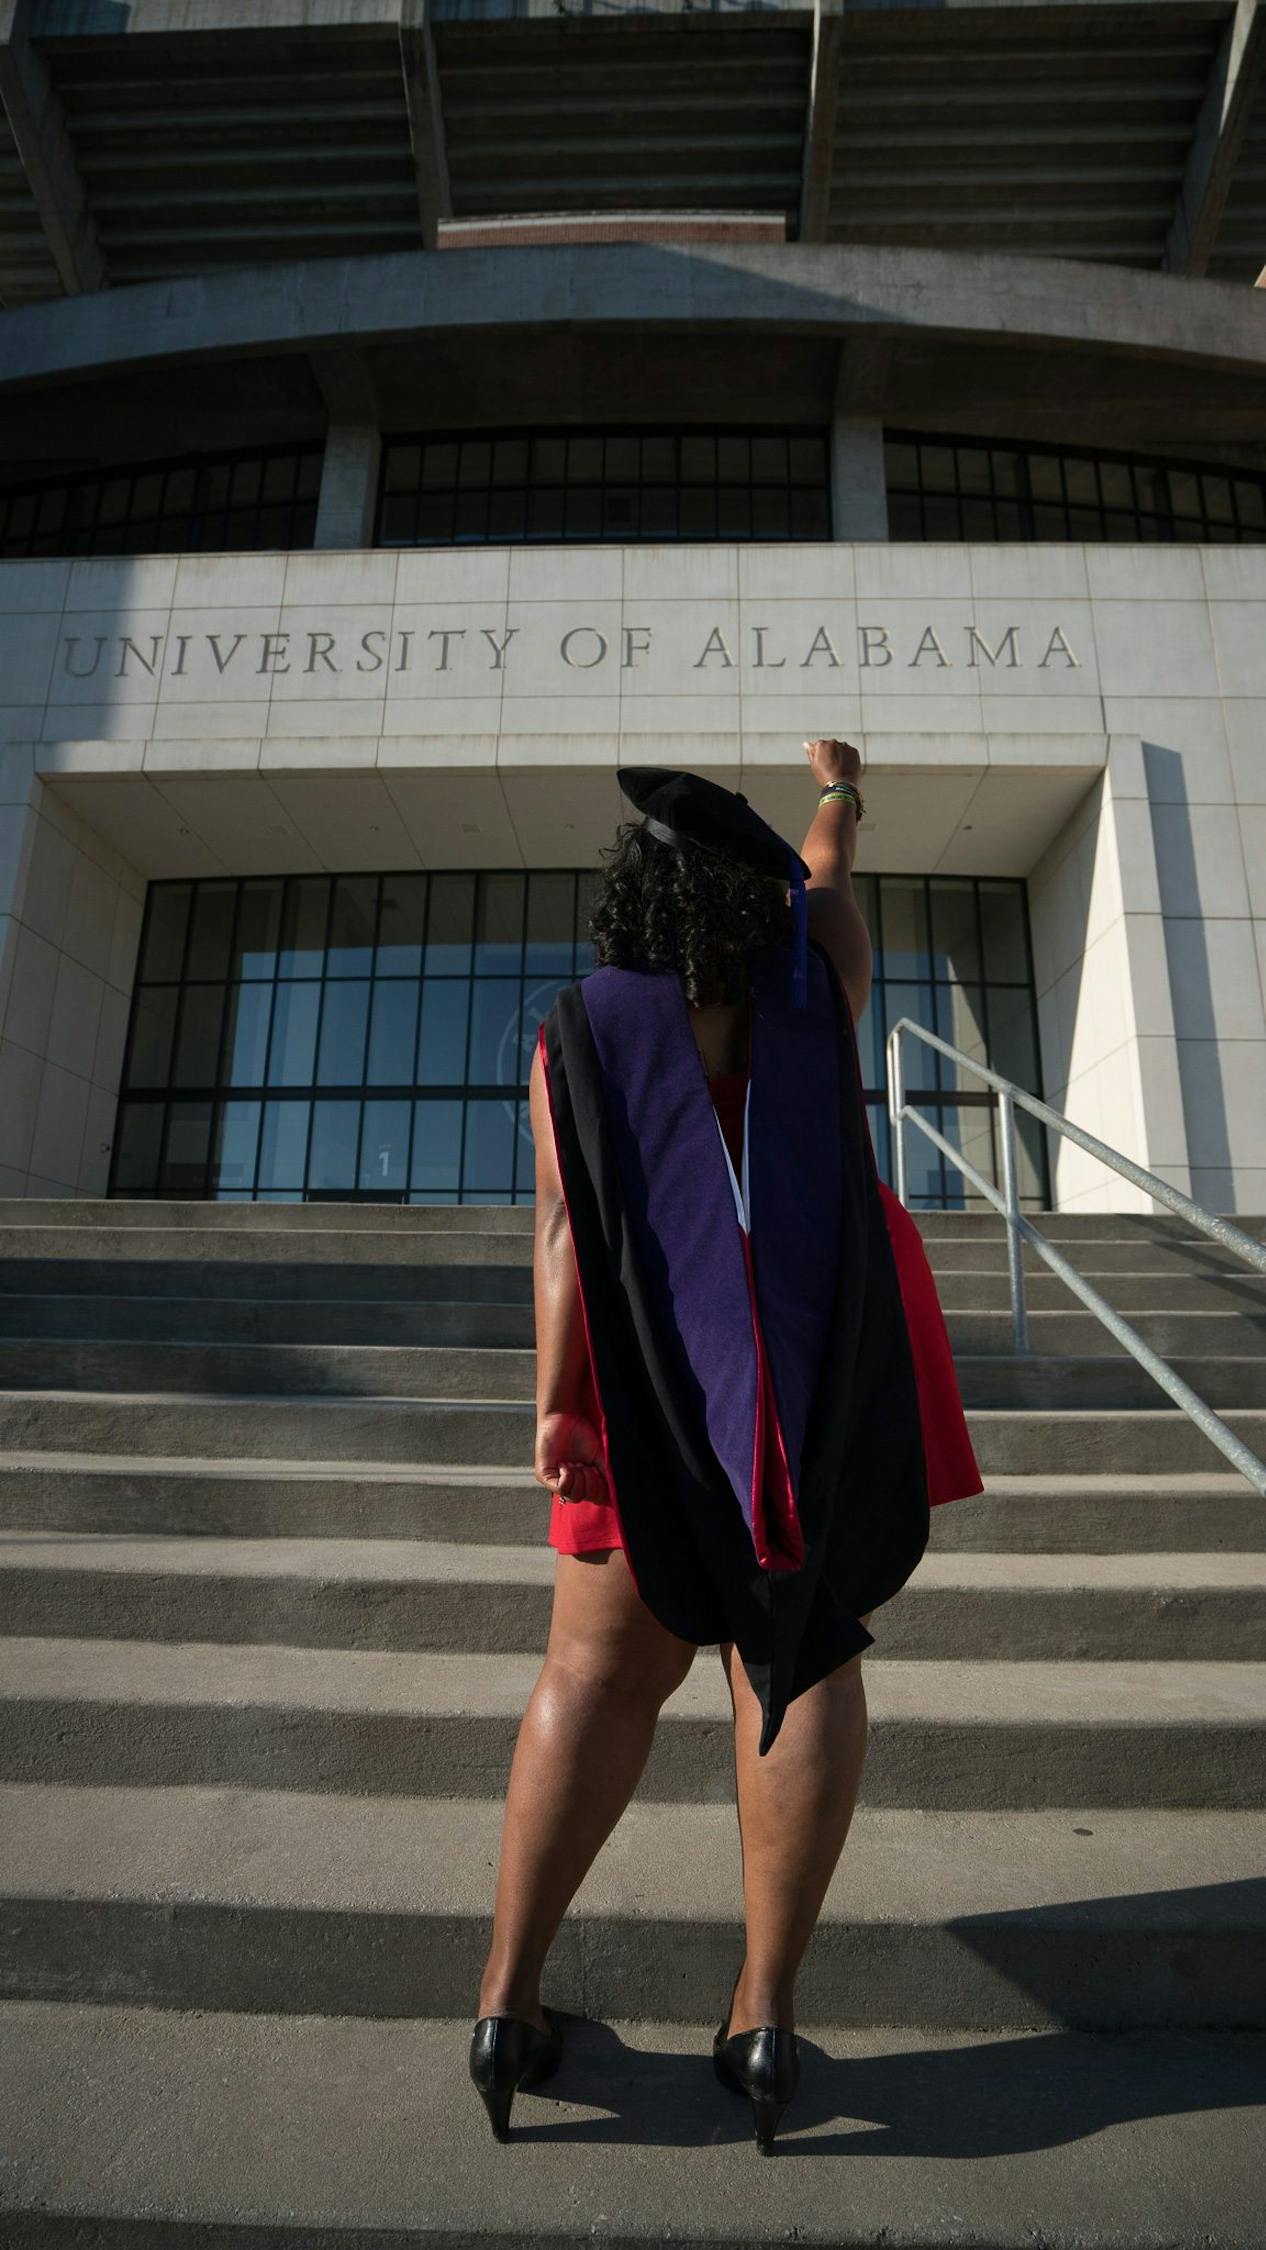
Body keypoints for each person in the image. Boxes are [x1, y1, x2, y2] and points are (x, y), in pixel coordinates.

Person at [469, 739, 983, 2152]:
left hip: (646, 1381)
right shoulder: (817, 987)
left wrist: (557, 1409)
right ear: (762, 904)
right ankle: (761, 2016)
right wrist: (836, 792)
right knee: (800, 1648)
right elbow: (819, 879)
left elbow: (567, 1239)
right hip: (817, 1374)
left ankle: (506, 2007)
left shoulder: (574, 1033)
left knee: (591, 1668)